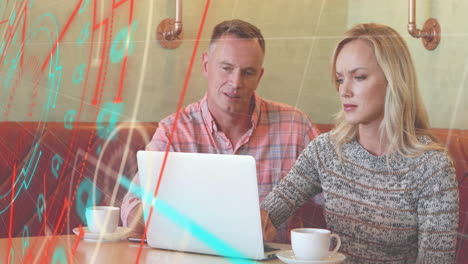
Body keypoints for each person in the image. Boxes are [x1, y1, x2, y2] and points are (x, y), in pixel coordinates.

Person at [260, 23, 459, 263]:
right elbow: (271, 210)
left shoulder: (432, 167)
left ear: (393, 80)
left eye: (359, 77)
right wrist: (256, 223)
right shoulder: (325, 150)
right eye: (340, 79)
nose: (344, 90)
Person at [121, 19, 320, 243]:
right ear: (206, 65)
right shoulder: (173, 132)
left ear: (259, 76)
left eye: (248, 72)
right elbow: (131, 210)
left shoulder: (296, 127)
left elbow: (336, 198)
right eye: (226, 68)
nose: (235, 82)